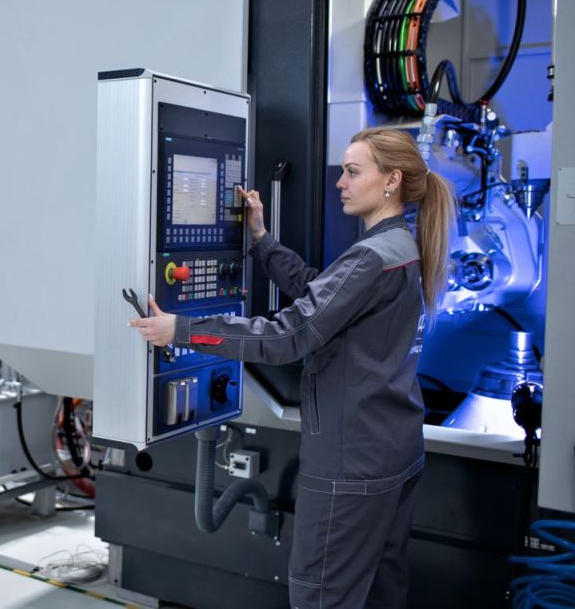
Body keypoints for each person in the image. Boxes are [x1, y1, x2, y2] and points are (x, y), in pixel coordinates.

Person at [130, 128, 455, 609]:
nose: (340, 182)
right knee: (382, 593)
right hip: (394, 452)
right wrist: (261, 240)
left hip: (351, 464)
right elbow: (319, 292)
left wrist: (183, 330)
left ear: (391, 180)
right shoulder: (400, 247)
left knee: (321, 595)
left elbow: (287, 337)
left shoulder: (371, 257)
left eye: (352, 171)